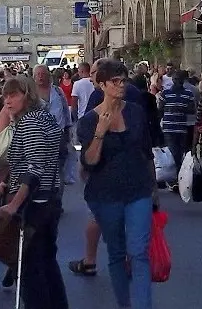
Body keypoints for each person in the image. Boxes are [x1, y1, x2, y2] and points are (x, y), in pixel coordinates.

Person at [77, 59, 156, 309]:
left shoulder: (135, 111)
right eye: (115, 81)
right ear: (101, 85)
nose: (121, 85)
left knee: (139, 252)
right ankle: (125, 304)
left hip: (138, 190)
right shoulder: (89, 121)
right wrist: (101, 131)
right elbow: (89, 162)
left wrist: (154, 189)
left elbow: (146, 150)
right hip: (105, 195)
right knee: (117, 253)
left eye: (124, 80)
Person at [0, 75, 69, 309]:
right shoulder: (45, 118)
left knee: (29, 268)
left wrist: (14, 204)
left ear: (27, 96)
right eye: (6, 95)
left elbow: (34, 168)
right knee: (47, 261)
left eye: (14, 95)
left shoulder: (29, 123)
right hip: (50, 197)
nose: (8, 100)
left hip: (34, 203)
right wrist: (8, 180)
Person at [159, 70, 196, 171]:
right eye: (175, 79)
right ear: (172, 80)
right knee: (173, 152)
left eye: (179, 80)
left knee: (181, 152)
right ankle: (176, 174)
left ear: (183, 80)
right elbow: (160, 109)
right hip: (169, 128)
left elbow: (192, 110)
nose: (177, 82)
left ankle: (180, 175)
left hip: (182, 128)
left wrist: (181, 109)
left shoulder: (188, 94)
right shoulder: (165, 93)